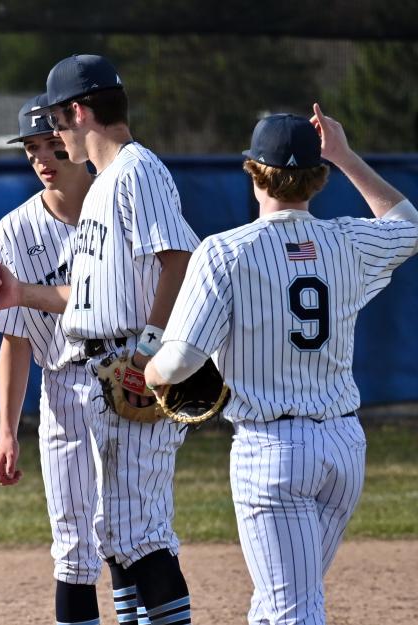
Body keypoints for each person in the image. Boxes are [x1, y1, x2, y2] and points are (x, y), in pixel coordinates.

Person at [145, 105, 418, 625]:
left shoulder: (224, 253)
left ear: (253, 172)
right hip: (342, 449)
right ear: (319, 179)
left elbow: (179, 361)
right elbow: (408, 225)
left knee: (292, 610)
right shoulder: (350, 241)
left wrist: (148, 372)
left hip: (272, 453)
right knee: (278, 604)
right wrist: (347, 156)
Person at [0, 55, 198, 625]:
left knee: (142, 534)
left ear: (77, 112)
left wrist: (150, 348)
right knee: (119, 533)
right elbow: (85, 296)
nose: (51, 139)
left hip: (130, 365)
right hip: (100, 372)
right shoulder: (105, 186)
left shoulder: (137, 170)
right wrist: (23, 292)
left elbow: (179, 258)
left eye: (57, 122)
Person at [0, 94, 104, 622]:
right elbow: (15, 338)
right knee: (72, 539)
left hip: (125, 378)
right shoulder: (16, 229)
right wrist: (7, 431)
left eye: (52, 145)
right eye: (32, 149)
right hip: (63, 389)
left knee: (132, 529)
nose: (43, 160)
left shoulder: (116, 202)